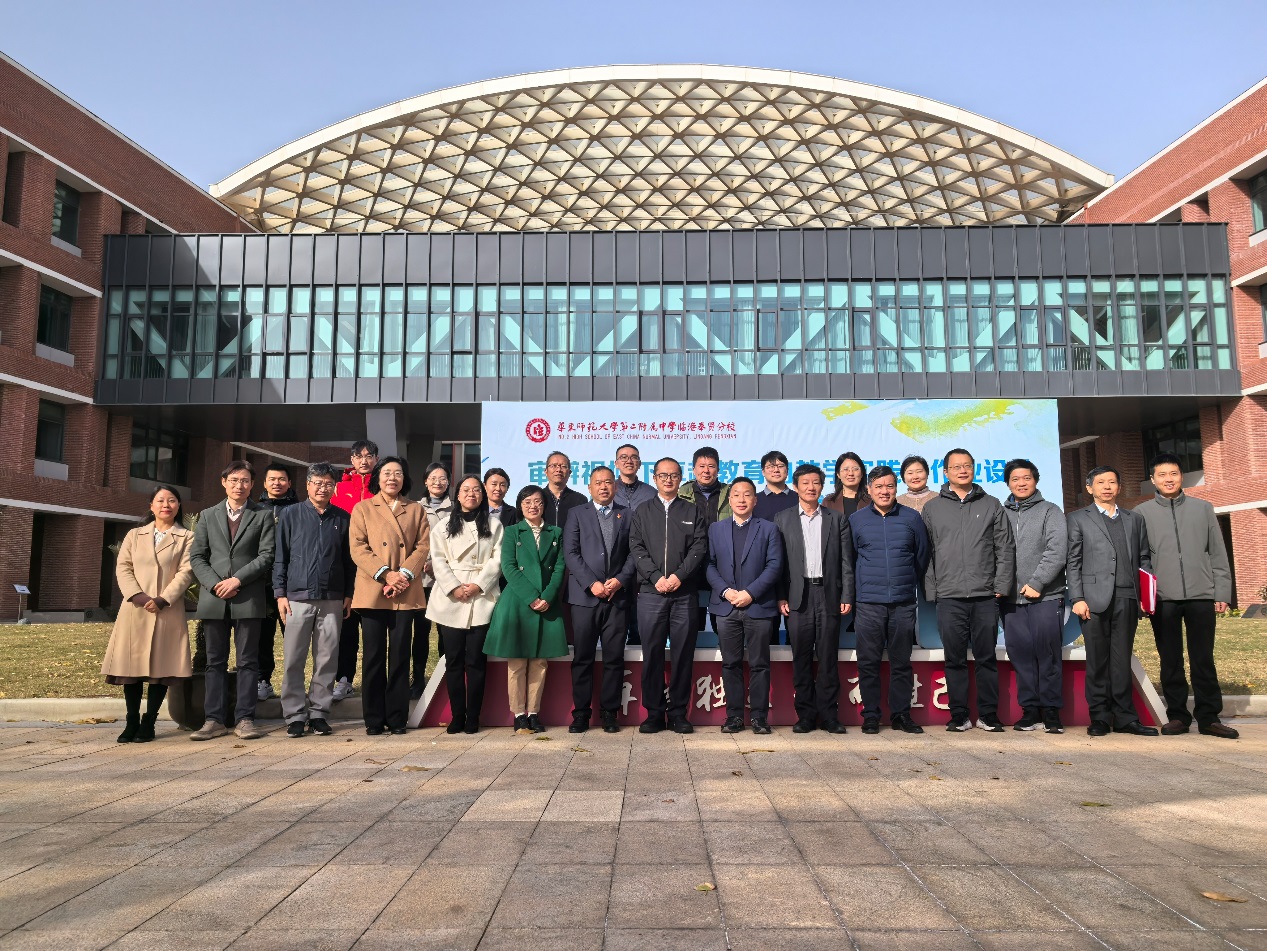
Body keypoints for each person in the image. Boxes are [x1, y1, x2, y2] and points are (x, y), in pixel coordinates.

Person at [1136, 453, 1237, 739]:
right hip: (1163, 598)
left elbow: (1217, 552)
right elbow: (1140, 559)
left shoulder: (1203, 508)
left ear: (1181, 476)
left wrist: (1221, 591)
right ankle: (1178, 716)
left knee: (1203, 658)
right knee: (1170, 660)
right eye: (1162, 475)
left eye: (1174, 474)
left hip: (1201, 594)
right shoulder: (1141, 513)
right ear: (1153, 479)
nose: (1169, 479)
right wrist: (1145, 596)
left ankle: (1209, 717)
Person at [922, 448, 1015, 733]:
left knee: (986, 658)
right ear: (945, 472)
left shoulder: (991, 504)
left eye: (967, 466)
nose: (962, 470)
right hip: (949, 596)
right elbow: (926, 553)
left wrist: (1001, 586)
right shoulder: (933, 508)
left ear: (974, 469)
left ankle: (988, 714)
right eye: (956, 467)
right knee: (955, 659)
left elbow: (1004, 547)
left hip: (985, 595)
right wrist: (932, 590)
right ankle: (959, 715)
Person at [188, 461, 276, 741]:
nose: (240, 485)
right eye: (235, 480)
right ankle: (213, 720)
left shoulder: (263, 515)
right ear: (224, 482)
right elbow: (197, 556)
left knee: (248, 661)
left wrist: (237, 580)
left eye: (246, 480)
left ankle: (245, 719)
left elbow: (266, 555)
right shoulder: (207, 515)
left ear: (253, 485)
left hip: (247, 597)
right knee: (214, 661)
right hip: (214, 598)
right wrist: (215, 584)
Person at [1067, 465, 1157, 737]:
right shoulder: (1077, 518)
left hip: (1127, 598)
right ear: (1089, 487)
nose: (1107, 487)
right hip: (1092, 600)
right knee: (1097, 661)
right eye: (1101, 482)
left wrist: (1146, 596)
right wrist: (1077, 597)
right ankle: (1100, 718)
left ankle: (1126, 718)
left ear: (1119, 487)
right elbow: (1073, 561)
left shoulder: (1134, 519)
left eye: (1112, 482)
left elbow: (1144, 559)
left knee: (1121, 660)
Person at [102, 485, 195, 743]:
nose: (166, 505)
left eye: (172, 500)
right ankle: (131, 721)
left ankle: (149, 722)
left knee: (160, 669)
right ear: (151, 505)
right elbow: (123, 567)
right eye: (160, 500)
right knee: (130, 669)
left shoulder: (186, 537)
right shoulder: (134, 535)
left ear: (178, 506)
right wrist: (139, 597)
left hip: (167, 609)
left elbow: (186, 571)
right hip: (135, 609)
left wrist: (163, 599)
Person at [349, 457, 430, 735]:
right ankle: (373, 719)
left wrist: (402, 576)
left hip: (404, 591)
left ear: (404, 478)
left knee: (400, 655)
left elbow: (423, 546)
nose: (392, 478)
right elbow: (357, 548)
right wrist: (386, 574)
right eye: (386, 473)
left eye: (397, 473)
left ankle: (397, 718)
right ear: (378, 477)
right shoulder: (362, 508)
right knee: (373, 656)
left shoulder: (416, 509)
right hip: (373, 589)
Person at [274, 463, 355, 738]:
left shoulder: (343, 518)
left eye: (328, 484)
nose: (323, 488)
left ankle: (319, 713)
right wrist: (280, 593)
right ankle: (295, 715)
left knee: (327, 659)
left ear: (335, 487)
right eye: (318, 483)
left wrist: (348, 593)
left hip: (332, 598)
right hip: (297, 598)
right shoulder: (290, 514)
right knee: (293, 658)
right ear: (308, 485)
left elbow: (348, 560)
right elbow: (280, 556)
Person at [629, 457, 709, 734]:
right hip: (651, 594)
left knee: (682, 655)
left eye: (673, 475)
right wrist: (655, 577)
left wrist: (678, 576)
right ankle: (653, 713)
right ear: (654, 478)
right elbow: (636, 547)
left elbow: (699, 547)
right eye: (663, 475)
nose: (668, 480)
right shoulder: (642, 511)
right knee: (651, 654)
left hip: (684, 594)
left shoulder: (692, 510)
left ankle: (678, 714)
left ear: (680, 478)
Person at [849, 465, 929, 735]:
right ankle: (871, 715)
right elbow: (850, 559)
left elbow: (921, 557)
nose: (885, 491)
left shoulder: (912, 518)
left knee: (901, 662)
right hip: (868, 603)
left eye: (890, 486)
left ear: (897, 488)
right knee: (868, 662)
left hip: (902, 602)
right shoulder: (857, 520)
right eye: (879, 486)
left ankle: (901, 715)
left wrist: (905, 581)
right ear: (869, 489)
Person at [774, 464, 854, 734]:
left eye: (816, 482)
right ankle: (806, 716)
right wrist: (780, 596)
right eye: (805, 483)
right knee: (801, 657)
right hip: (798, 596)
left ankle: (830, 715)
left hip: (828, 593)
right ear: (795, 487)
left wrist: (846, 594)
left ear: (822, 486)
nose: (811, 487)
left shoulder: (836, 518)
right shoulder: (782, 519)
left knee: (828, 657)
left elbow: (846, 562)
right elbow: (778, 563)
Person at [425, 475, 504, 734]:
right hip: (451, 598)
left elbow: (497, 559)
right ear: (457, 495)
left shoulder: (494, 524)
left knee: (477, 661)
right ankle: (457, 715)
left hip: (481, 597)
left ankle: (474, 716)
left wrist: (478, 585)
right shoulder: (444, 525)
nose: (471, 494)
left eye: (476, 490)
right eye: (466, 490)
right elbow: (438, 559)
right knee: (454, 660)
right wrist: (454, 586)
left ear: (482, 495)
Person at [485, 485, 567, 733]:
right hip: (519, 601)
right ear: (520, 506)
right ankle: (519, 713)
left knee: (540, 662)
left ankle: (534, 712)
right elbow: (508, 567)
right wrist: (531, 597)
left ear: (545, 505)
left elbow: (560, 567)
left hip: (546, 602)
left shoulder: (556, 532)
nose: (533, 506)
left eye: (538, 502)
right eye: (527, 502)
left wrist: (547, 596)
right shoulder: (512, 531)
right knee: (518, 661)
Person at [706, 477, 785, 734]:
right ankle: (734, 717)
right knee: (730, 664)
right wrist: (726, 591)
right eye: (737, 495)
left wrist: (750, 593)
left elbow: (774, 566)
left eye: (747, 494)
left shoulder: (769, 529)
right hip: (725, 606)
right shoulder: (716, 529)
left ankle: (760, 718)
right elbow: (709, 565)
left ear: (755, 500)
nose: (741, 499)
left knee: (760, 664)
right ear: (729, 500)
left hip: (758, 606)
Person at [564, 465, 636, 734]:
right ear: (589, 487)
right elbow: (571, 553)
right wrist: (591, 583)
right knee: (582, 657)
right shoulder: (577, 514)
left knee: (614, 658)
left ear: (615, 486)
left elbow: (634, 553)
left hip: (617, 598)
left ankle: (609, 713)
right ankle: (581, 713)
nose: (604, 487)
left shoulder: (627, 514)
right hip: (585, 598)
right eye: (598, 482)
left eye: (608, 482)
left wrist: (620, 580)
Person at [999, 459, 1068, 734]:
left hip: (1046, 597)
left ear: (1035, 480)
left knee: (1047, 655)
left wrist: (1038, 582)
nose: (1021, 483)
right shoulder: (1000, 512)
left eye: (1026, 478)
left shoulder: (1050, 511)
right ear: (1008, 483)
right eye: (1015, 479)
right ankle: (1029, 710)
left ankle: (1051, 711)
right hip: (1010, 600)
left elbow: (1057, 550)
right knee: (1021, 656)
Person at [330, 439, 379, 702]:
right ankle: (344, 679)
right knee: (346, 627)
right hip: (344, 566)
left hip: (374, 567)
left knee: (374, 630)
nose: (364, 460)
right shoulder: (339, 487)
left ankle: (374, 682)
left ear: (376, 459)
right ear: (351, 460)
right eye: (359, 456)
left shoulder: (381, 485)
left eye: (369, 456)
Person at [256, 462, 298, 702]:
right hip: (261, 583)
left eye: (282, 479)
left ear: (289, 483)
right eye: (272, 479)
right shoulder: (255, 509)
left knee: (292, 635)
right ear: (264, 483)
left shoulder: (299, 509)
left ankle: (293, 684)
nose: (277, 483)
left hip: (291, 583)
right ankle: (263, 680)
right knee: (263, 635)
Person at [414, 462, 454, 699]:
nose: (438, 482)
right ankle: (418, 680)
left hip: (445, 581)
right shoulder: (415, 508)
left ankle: (445, 680)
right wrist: (423, 563)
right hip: (420, 581)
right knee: (420, 633)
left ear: (448, 482)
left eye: (442, 478)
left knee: (444, 633)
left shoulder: (456, 509)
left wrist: (439, 566)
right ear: (425, 481)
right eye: (433, 478)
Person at [543, 451, 588, 528]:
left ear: (569, 472)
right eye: (553, 466)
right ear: (546, 471)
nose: (558, 470)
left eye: (563, 466)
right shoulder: (538, 498)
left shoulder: (580, 500)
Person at [754, 450, 797, 521]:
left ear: (787, 470)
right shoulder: (754, 500)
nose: (776, 470)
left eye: (780, 466)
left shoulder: (799, 498)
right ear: (763, 472)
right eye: (771, 466)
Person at [824, 452, 870, 516]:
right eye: (846, 469)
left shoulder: (872, 501)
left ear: (862, 473)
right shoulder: (829, 502)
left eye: (855, 469)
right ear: (838, 474)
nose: (850, 473)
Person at [614, 443, 657, 512]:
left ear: (639, 464)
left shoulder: (651, 493)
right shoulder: (609, 491)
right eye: (624, 457)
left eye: (634, 457)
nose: (629, 461)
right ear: (616, 464)